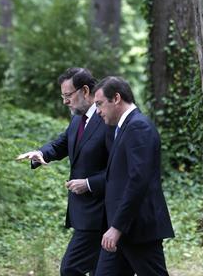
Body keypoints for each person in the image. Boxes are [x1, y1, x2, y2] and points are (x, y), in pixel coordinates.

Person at [16, 68, 113, 276]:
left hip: (101, 213)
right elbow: (62, 144)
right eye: (63, 96)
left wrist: (88, 183)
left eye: (68, 95)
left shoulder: (107, 119)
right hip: (84, 214)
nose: (65, 102)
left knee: (71, 268)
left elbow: (118, 170)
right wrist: (40, 152)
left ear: (85, 90)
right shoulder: (78, 118)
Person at [92, 76, 174, 276]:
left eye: (100, 104)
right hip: (122, 231)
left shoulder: (138, 127)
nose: (97, 111)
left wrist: (117, 227)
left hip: (138, 229)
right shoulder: (124, 126)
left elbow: (138, 180)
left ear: (116, 98)